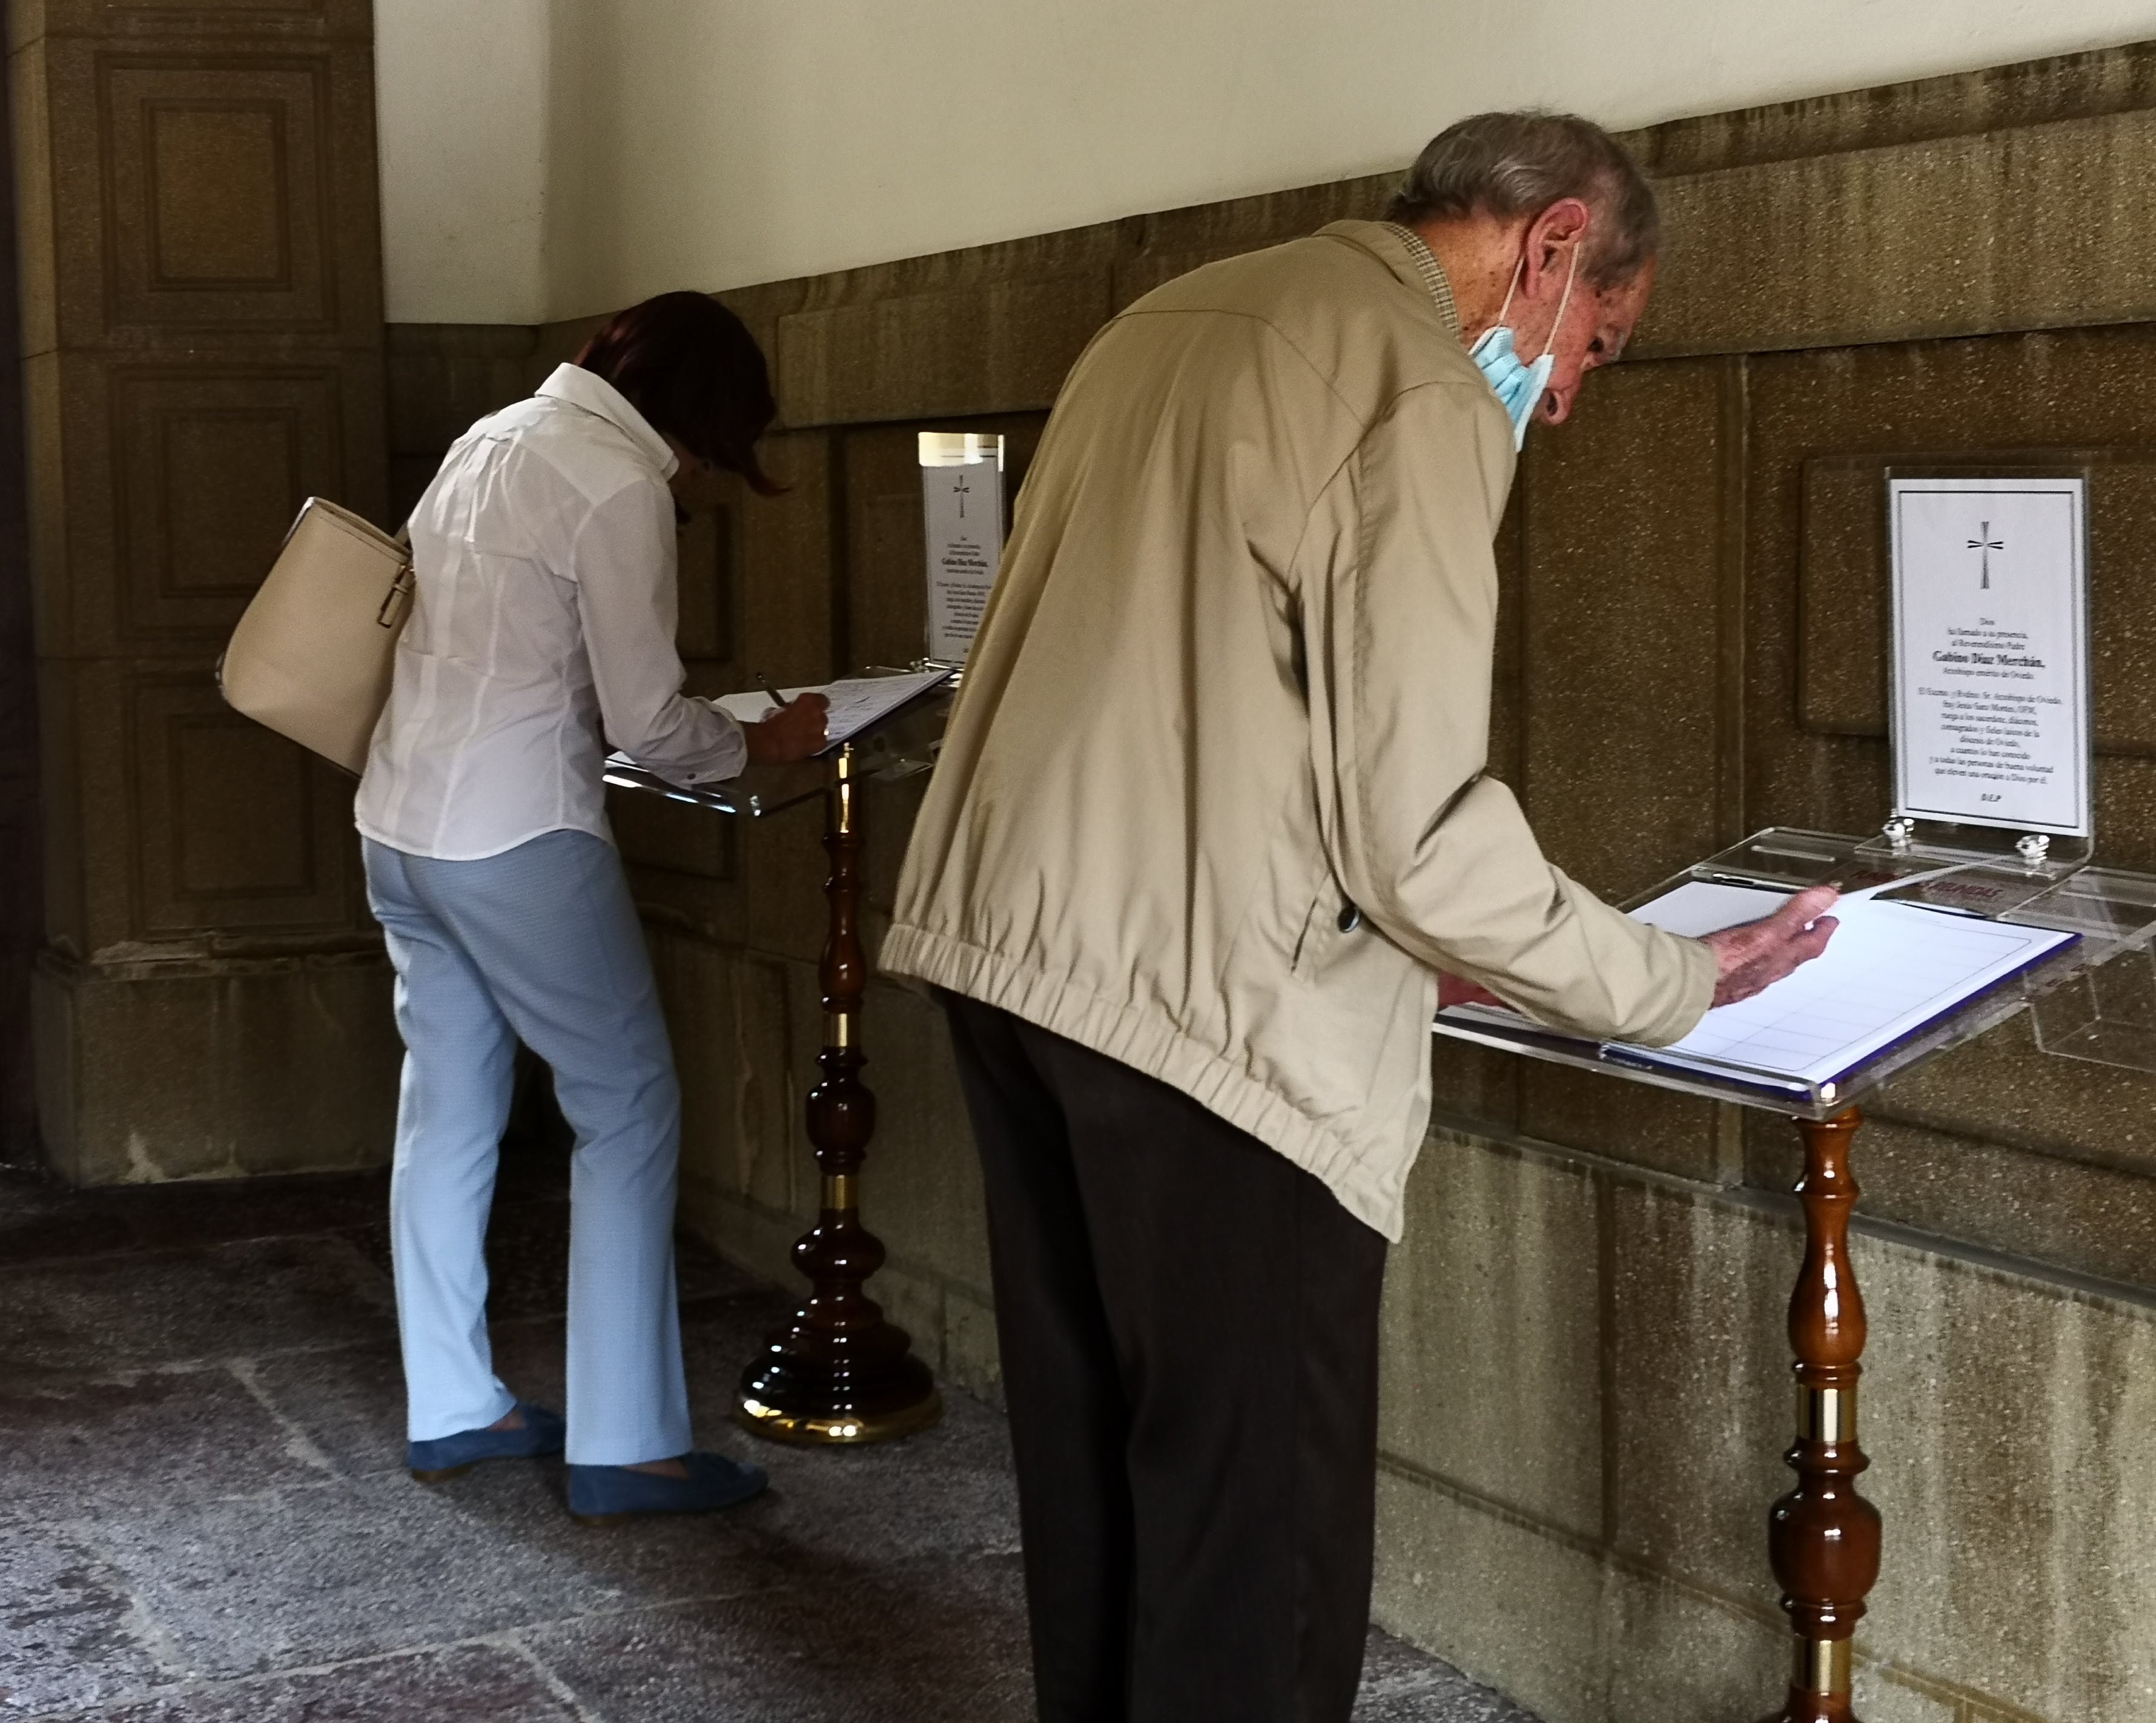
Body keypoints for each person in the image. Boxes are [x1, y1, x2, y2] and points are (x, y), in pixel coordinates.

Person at [880, 112, 1840, 1719]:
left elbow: (1189, 688)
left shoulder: (1174, 315)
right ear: (1551, 249)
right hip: (1212, 1027)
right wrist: (1667, 979)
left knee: (1101, 1481)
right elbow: (1420, 838)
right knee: (1257, 1538)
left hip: (1016, 961)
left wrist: (1429, 952)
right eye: (1599, 338)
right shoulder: (1421, 382)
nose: (1579, 387)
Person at [355, 291, 828, 1521]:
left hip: (399, 825)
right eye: (719, 451)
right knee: (626, 1110)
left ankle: (455, 1406)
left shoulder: (490, 435)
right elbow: (648, 724)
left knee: (449, 1108)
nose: (705, 476)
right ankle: (626, 1446)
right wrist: (760, 745)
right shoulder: (617, 484)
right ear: (701, 417)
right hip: (515, 834)